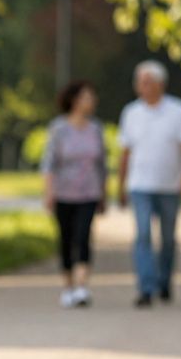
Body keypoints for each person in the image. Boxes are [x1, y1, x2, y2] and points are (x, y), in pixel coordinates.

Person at [117, 60, 181, 308]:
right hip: (139, 184)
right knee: (142, 235)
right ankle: (146, 287)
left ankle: (164, 281)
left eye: (147, 82)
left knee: (168, 238)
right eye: (139, 82)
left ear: (160, 84)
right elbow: (125, 152)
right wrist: (120, 184)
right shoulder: (131, 113)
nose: (142, 86)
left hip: (169, 185)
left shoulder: (178, 111)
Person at [42, 81, 107, 308]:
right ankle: (68, 286)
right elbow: (49, 164)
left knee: (83, 237)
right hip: (63, 192)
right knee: (66, 239)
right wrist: (49, 192)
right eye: (88, 97)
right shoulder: (59, 129)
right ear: (75, 100)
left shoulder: (96, 129)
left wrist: (103, 193)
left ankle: (81, 287)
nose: (92, 101)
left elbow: (102, 164)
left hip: (89, 192)